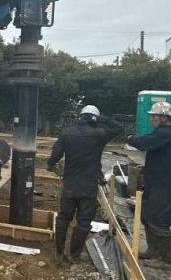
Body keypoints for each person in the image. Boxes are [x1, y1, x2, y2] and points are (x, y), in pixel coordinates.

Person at [46, 104, 123, 263]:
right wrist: (101, 119)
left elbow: (53, 159)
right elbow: (118, 128)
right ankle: (74, 255)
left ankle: (59, 253)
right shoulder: (100, 134)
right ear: (94, 119)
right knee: (83, 222)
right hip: (89, 186)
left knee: (63, 218)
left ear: (80, 117)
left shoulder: (67, 133)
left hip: (70, 185)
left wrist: (55, 168)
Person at [126, 101, 171, 270]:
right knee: (147, 216)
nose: (152, 119)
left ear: (164, 118)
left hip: (164, 186)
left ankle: (166, 260)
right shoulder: (164, 134)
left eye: (154, 116)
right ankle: (153, 250)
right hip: (156, 183)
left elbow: (143, 143)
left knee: (160, 220)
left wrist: (130, 139)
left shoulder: (166, 134)